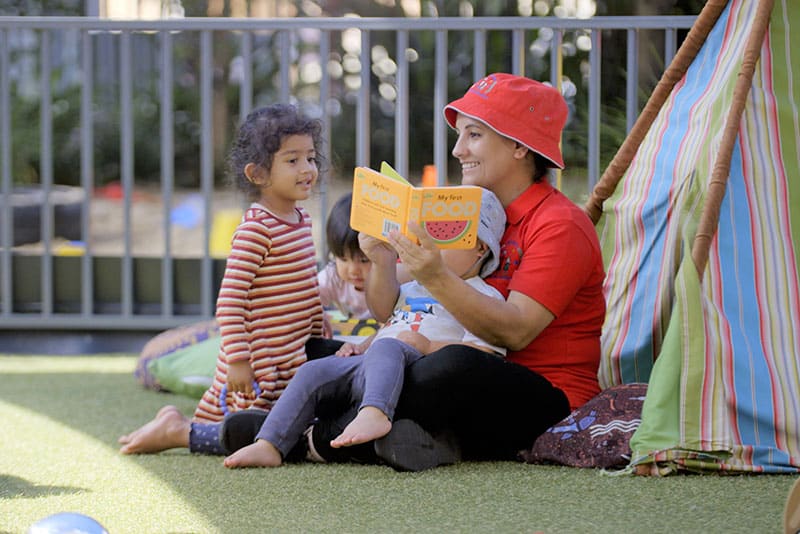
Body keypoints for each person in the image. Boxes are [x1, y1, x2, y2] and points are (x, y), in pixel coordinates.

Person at [304, 73, 607, 471]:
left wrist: (434, 276)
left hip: (541, 394)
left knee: (453, 366)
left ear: (519, 146)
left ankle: (314, 437)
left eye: (474, 135)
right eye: (460, 135)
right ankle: (397, 435)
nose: (458, 149)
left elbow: (515, 331)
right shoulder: (467, 212)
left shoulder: (559, 224)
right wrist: (381, 260)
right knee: (327, 350)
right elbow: (394, 310)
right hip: (453, 371)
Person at [222, 187, 507, 468]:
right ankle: (269, 444)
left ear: (481, 248)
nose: (429, 244)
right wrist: (362, 345)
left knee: (388, 346)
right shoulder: (413, 286)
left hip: (413, 374)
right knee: (314, 369)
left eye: (446, 236)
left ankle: (373, 413)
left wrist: (430, 347)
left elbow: (482, 358)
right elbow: (391, 323)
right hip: (373, 362)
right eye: (427, 233)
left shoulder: (484, 298)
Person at [119, 103, 342, 455]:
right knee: (255, 432)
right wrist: (239, 359)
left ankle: (180, 426)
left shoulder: (300, 220)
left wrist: (317, 323)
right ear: (258, 174)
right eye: (292, 160)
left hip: (290, 353)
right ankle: (176, 431)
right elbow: (231, 299)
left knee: (285, 424)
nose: (307, 169)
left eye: (311, 158)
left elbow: (300, 283)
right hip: (259, 363)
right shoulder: (256, 229)